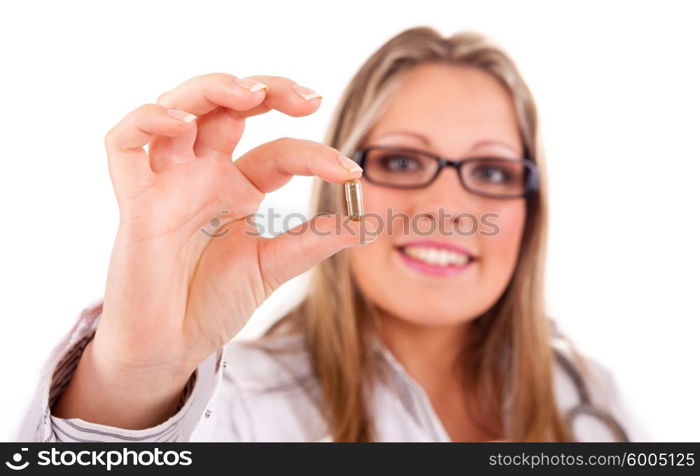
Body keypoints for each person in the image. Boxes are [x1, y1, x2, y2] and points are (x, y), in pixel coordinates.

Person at [15, 26, 646, 442]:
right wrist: (132, 376)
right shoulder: (227, 410)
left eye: (489, 169)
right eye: (402, 161)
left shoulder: (591, 399)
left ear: (530, 210)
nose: (447, 205)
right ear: (338, 185)